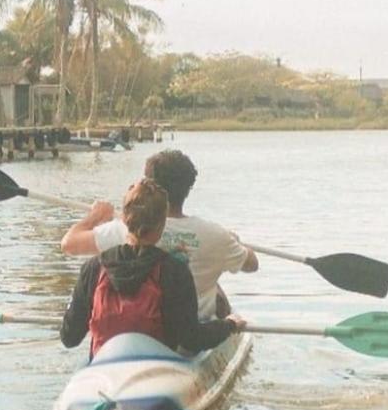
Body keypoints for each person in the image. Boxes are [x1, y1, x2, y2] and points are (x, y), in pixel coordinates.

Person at [61, 149, 258, 320]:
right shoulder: (216, 236)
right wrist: (235, 243)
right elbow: (252, 265)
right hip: (190, 332)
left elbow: (69, 244)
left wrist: (94, 217)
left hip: (139, 325)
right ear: (188, 189)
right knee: (217, 292)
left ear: (148, 186)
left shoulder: (126, 227)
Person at [60, 178, 244, 357]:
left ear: (124, 219)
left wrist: (94, 217)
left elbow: (69, 338)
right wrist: (229, 325)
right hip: (157, 365)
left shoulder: (93, 268)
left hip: (106, 364)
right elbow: (191, 339)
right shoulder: (174, 271)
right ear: (162, 224)